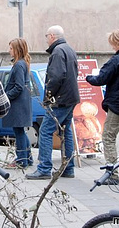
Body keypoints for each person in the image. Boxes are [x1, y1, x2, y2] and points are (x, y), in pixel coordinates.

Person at [26, 25, 80, 180]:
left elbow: (55, 77)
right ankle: (68, 168)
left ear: (51, 36)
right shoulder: (69, 49)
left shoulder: (57, 52)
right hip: (70, 98)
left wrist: (49, 96)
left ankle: (44, 168)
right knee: (65, 131)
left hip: (60, 100)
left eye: (46, 36)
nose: (46, 40)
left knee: (45, 131)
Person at [85, 29, 119, 184]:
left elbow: (101, 78)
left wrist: (88, 77)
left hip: (118, 104)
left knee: (108, 136)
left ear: (116, 42)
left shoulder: (116, 60)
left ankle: (112, 173)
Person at [2, 38, 34, 168]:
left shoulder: (19, 65)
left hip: (18, 104)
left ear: (17, 50)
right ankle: (27, 158)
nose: (9, 51)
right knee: (20, 130)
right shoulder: (22, 63)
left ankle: (22, 160)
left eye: (11, 48)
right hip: (22, 103)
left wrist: (6, 96)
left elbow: (19, 86)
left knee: (18, 131)